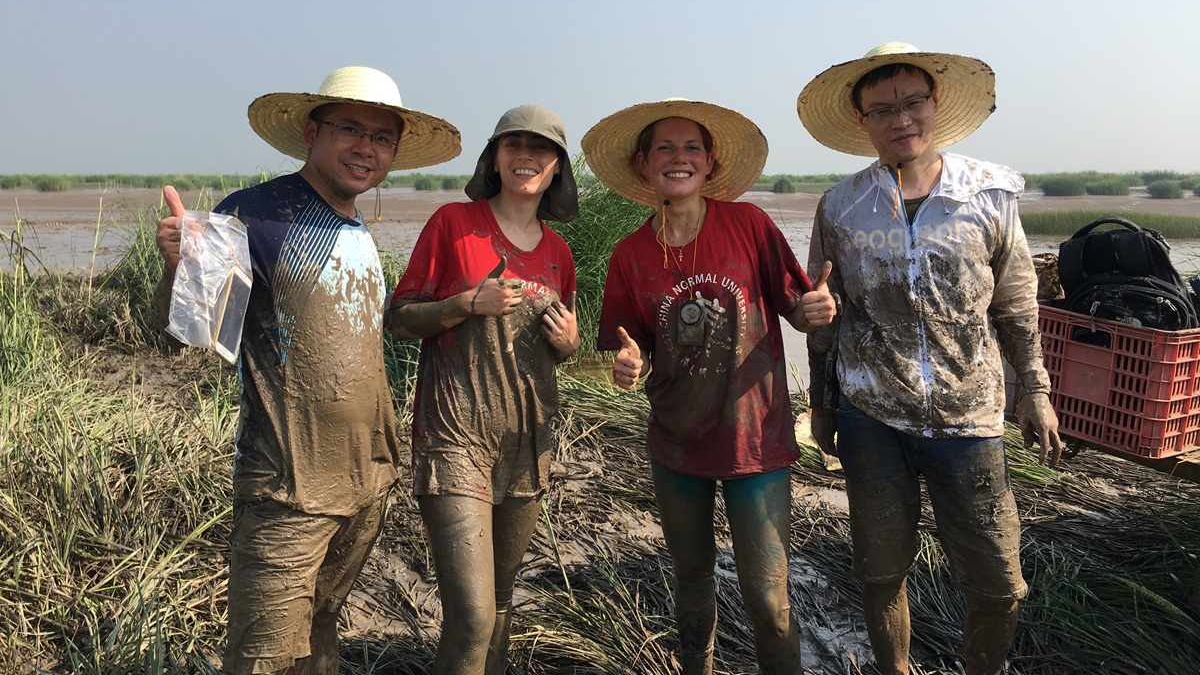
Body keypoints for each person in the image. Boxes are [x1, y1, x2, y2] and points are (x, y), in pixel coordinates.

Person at [154, 66, 461, 675]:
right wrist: (177, 266)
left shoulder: (356, 226)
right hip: (286, 486)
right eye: (351, 129)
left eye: (381, 138)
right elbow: (186, 333)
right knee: (261, 656)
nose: (365, 148)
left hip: (367, 480)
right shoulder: (254, 214)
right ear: (312, 131)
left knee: (323, 626)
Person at [797, 43, 1063, 675]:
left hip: (969, 416)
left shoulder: (989, 195)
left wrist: (1036, 389)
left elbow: (1017, 306)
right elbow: (823, 316)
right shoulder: (841, 206)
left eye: (913, 102)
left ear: (934, 105)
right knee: (880, 570)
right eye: (883, 109)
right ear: (863, 120)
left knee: (999, 583)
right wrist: (822, 405)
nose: (901, 119)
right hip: (871, 415)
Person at [584, 99, 836, 675]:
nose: (679, 158)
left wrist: (814, 309)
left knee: (769, 601)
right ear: (644, 164)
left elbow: (796, 308)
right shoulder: (630, 256)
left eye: (691, 147)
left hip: (756, 442)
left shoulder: (748, 224)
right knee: (692, 581)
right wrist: (629, 365)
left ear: (710, 160)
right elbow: (633, 348)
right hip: (677, 442)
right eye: (665, 149)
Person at [387, 105, 580, 675]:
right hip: (454, 438)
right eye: (513, 145)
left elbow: (560, 355)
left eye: (540, 149)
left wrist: (570, 344)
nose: (526, 156)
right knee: (471, 615)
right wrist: (464, 303)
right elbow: (398, 318)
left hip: (528, 445)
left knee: (499, 608)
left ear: (556, 168)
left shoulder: (559, 253)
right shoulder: (454, 224)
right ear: (494, 158)